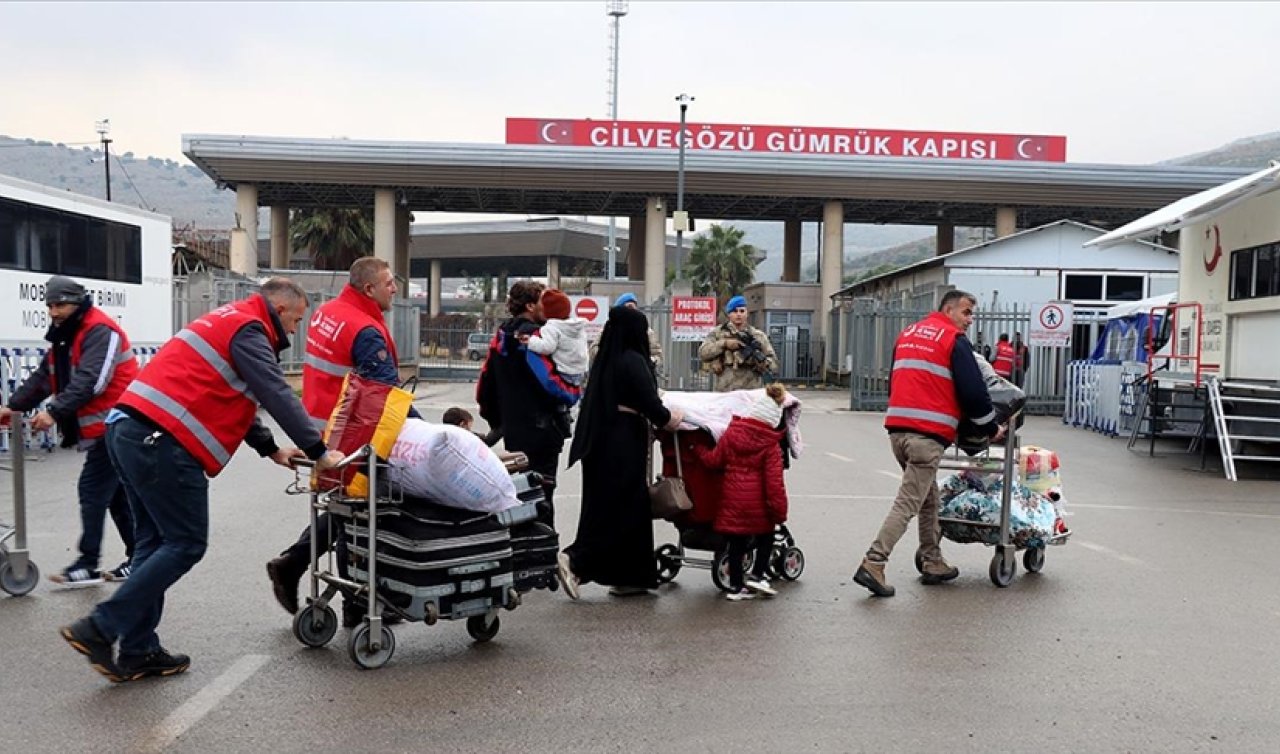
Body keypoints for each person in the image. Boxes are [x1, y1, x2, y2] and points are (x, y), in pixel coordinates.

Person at [59, 278, 343, 683]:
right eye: (297, 320)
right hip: (161, 442)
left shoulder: (225, 320)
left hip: (128, 431)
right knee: (185, 542)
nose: (296, 330)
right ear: (280, 310)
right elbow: (275, 392)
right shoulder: (251, 328)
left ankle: (139, 651)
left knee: (152, 544)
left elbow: (230, 393)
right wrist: (319, 452)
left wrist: (271, 449)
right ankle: (100, 626)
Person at [266, 257, 417, 625]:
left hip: (321, 424)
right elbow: (384, 396)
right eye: (389, 283)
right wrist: (432, 434)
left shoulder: (328, 312)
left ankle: (295, 564)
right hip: (350, 433)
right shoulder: (364, 328)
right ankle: (356, 605)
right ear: (370, 289)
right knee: (359, 512)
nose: (395, 289)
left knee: (342, 509)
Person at [853, 290, 1004, 598]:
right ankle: (874, 562)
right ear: (948, 309)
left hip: (898, 431)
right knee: (908, 501)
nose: (969, 320)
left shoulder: (907, 334)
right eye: (965, 312)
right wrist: (991, 427)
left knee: (927, 496)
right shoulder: (953, 340)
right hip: (927, 435)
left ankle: (932, 559)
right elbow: (974, 393)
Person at [0, 275, 137, 586]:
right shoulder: (66, 336)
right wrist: (14, 406)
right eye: (49, 305)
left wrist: (53, 411)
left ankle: (88, 564)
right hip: (106, 429)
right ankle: (139, 557)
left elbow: (93, 380)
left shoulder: (100, 331)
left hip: (121, 425)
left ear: (77, 303)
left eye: (59, 304)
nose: (53, 312)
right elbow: (44, 377)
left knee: (92, 490)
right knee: (116, 496)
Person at [558, 305, 682, 599]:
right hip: (623, 442)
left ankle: (631, 576)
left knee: (615, 507)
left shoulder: (606, 359)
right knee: (622, 509)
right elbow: (649, 401)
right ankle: (576, 560)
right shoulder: (633, 360)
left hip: (602, 441)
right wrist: (669, 418)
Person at [477, 281, 568, 527]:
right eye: (542, 301)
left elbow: (485, 385)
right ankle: (544, 554)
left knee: (520, 493)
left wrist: (499, 421)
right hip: (544, 428)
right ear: (530, 305)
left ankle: (521, 550)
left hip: (514, 429)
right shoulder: (540, 337)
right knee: (544, 494)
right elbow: (554, 382)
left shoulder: (501, 336)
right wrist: (572, 396)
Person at [692, 384, 790, 601]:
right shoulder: (770, 445)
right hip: (758, 507)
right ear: (773, 420)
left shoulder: (732, 433)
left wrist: (698, 449)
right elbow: (774, 484)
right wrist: (779, 513)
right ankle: (757, 574)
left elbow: (713, 460)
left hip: (731, 501)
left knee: (736, 544)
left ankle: (736, 587)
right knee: (766, 537)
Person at [698, 295, 777, 392]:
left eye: (742, 311)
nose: (739, 314)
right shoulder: (718, 333)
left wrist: (763, 363)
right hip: (725, 390)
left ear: (747, 313)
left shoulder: (758, 336)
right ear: (729, 314)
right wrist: (724, 344)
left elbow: (774, 363)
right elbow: (703, 352)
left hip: (751, 391)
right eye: (735, 311)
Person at [522, 288, 588, 397]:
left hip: (565, 373)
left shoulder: (551, 327)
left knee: (556, 394)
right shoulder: (577, 326)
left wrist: (530, 341)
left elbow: (547, 347)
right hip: (580, 372)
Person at [592, 292, 663, 371]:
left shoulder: (646, 332)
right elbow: (594, 350)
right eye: (628, 308)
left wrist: (647, 362)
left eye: (633, 308)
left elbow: (657, 355)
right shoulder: (608, 331)